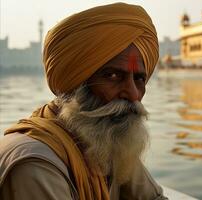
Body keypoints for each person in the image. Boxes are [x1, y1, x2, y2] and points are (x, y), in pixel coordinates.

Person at [0, 2, 168, 200]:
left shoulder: (105, 140)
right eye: (113, 76)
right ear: (77, 84)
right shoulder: (35, 164)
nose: (133, 94)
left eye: (139, 79)